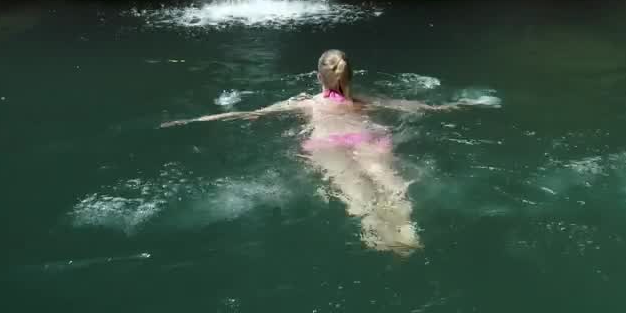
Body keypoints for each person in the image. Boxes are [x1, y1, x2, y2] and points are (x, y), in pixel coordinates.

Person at [161, 49, 486, 255]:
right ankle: (406, 228)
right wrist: (458, 105)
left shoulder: (307, 103)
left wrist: (197, 118)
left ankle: (374, 229)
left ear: (320, 77)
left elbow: (253, 113)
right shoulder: (364, 102)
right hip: (367, 138)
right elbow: (417, 106)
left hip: (327, 144)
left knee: (353, 190)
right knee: (389, 182)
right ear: (350, 76)